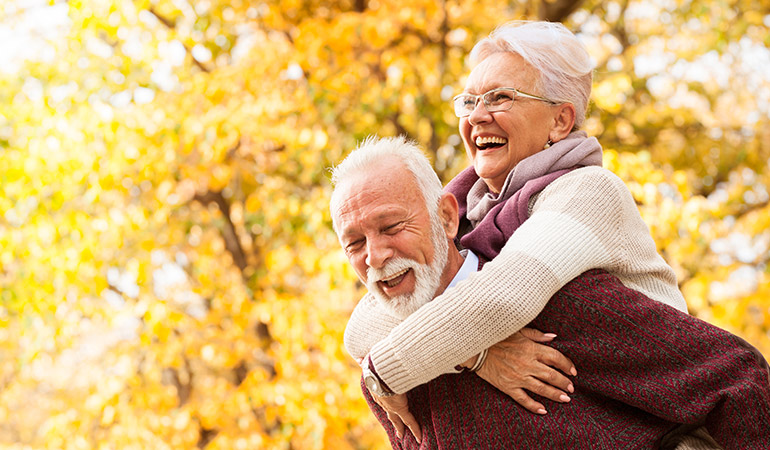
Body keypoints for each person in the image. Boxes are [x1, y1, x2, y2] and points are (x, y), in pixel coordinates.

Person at [343, 20, 692, 424]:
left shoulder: (589, 192)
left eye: (499, 98)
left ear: (560, 121)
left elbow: (503, 297)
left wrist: (382, 372)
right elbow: (363, 324)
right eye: (469, 102)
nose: (477, 117)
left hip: (665, 426)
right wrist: (479, 354)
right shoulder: (470, 213)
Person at [329, 135, 770, 449]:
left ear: (446, 217)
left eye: (392, 227)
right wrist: (476, 354)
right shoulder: (384, 376)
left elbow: (737, 378)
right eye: (354, 243)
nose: (376, 255)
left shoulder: (565, 303)